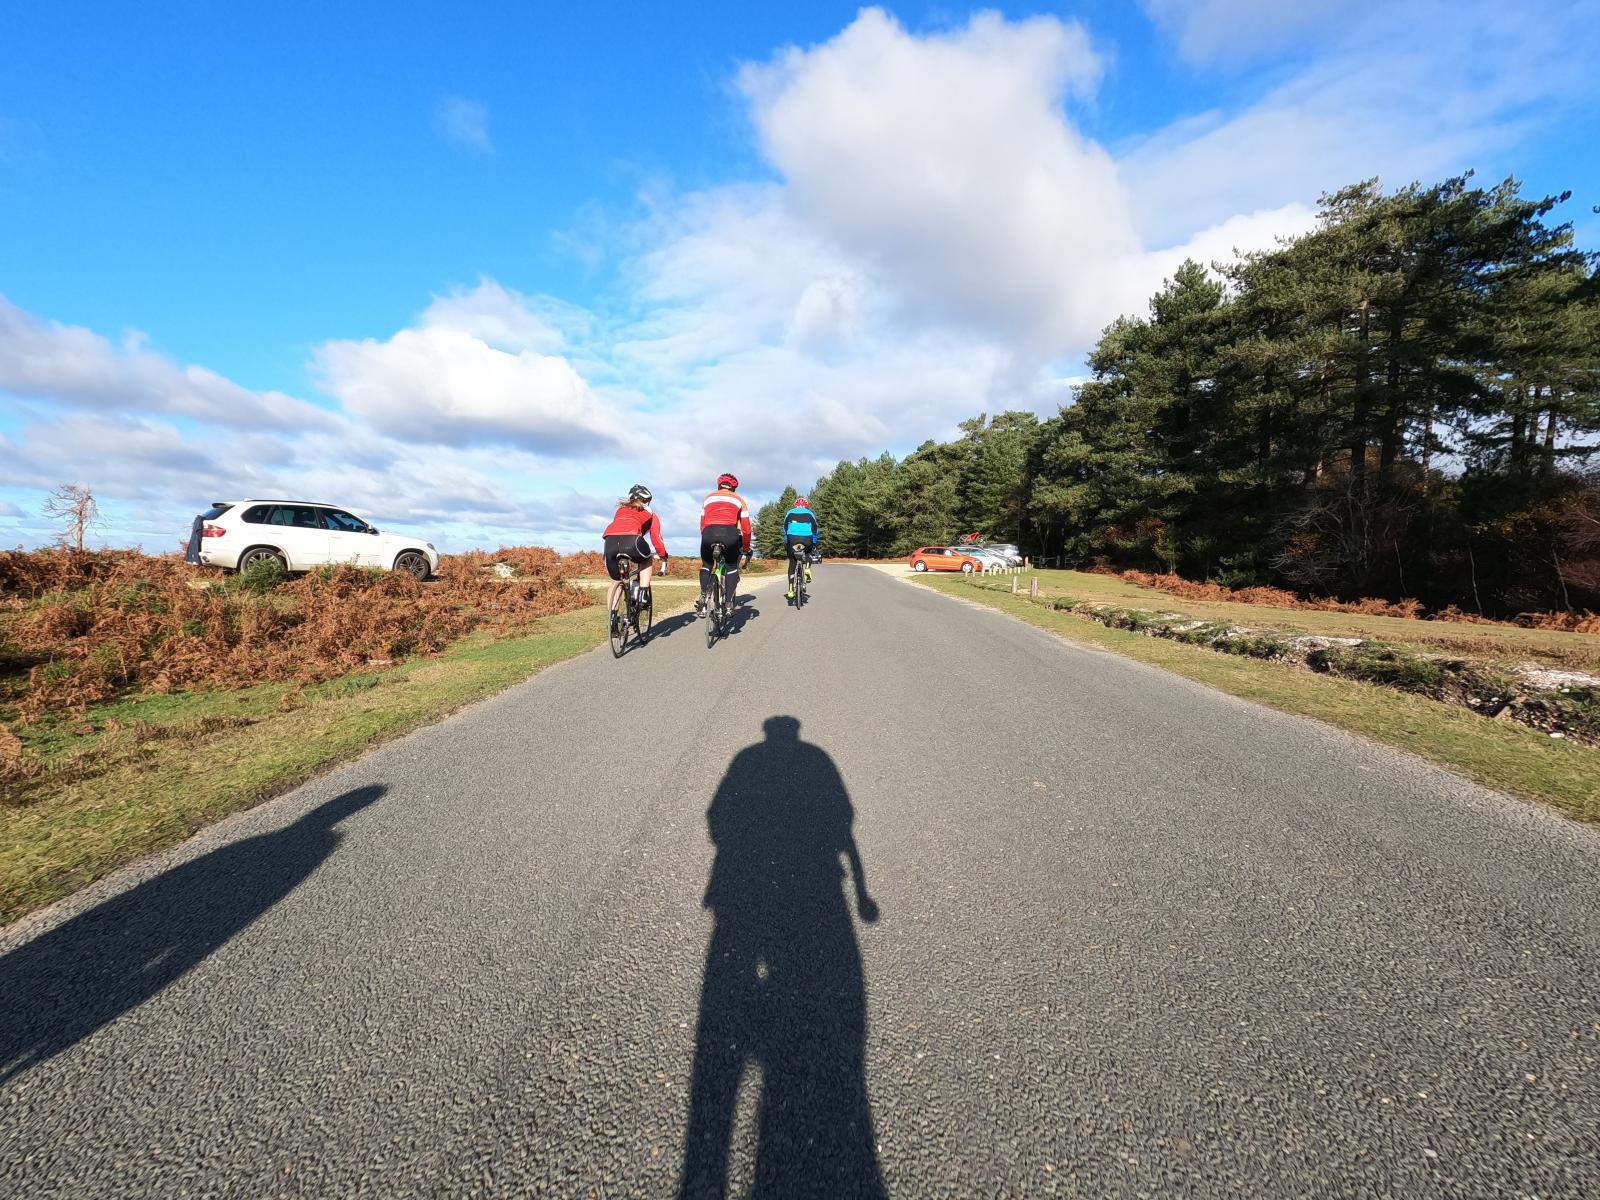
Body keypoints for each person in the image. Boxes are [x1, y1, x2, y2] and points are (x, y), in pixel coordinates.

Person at [601, 484, 667, 632]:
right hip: (632, 541)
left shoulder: (620, 510)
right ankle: (642, 594)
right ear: (647, 500)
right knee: (647, 558)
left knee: (616, 581)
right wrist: (663, 556)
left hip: (610, 542)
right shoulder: (650, 513)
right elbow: (656, 538)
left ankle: (612, 621)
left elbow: (619, 529)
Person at [697, 473, 751, 617]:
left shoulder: (708, 498)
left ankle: (703, 597)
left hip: (709, 533)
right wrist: (746, 547)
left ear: (719, 485)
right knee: (731, 566)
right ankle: (728, 605)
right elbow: (746, 529)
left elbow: (702, 523)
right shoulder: (739, 500)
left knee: (707, 564)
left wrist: (707, 538)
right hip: (729, 534)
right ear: (733, 487)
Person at [782, 497, 819, 600]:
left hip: (792, 538)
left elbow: (785, 528)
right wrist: (814, 542)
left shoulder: (790, 512)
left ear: (795, 505)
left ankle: (790, 589)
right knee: (808, 552)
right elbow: (815, 529)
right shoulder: (810, 513)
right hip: (807, 538)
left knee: (792, 562)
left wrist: (786, 540)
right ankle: (807, 568)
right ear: (806, 506)